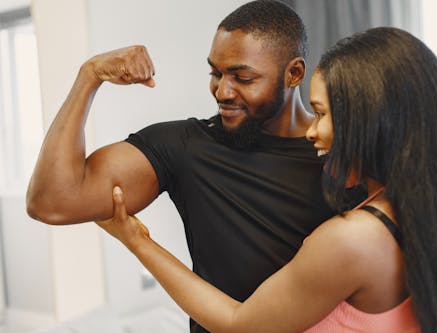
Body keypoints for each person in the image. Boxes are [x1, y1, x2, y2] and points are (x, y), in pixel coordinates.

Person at [97, 27, 437, 333]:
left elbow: (239, 325)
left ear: (371, 120)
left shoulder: (351, 240)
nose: (311, 131)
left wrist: (138, 241)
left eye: (321, 114)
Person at [26, 1, 347, 332]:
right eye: (215, 73)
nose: (222, 91)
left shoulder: (344, 158)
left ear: (293, 73)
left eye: (242, 77)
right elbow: (52, 202)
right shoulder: (184, 146)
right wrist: (89, 75)